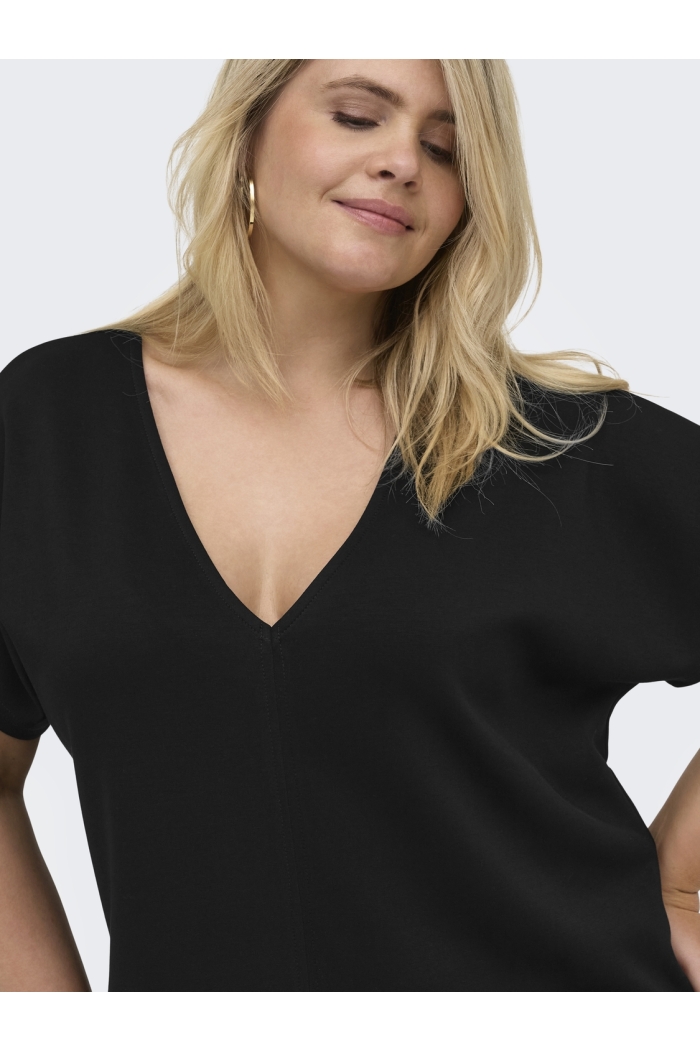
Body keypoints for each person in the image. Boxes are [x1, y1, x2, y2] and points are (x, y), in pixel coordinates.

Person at [0, 58, 698, 993]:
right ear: (248, 131)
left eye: (445, 149)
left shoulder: (561, 448)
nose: (403, 161)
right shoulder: (52, 422)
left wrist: (681, 881)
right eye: (359, 116)